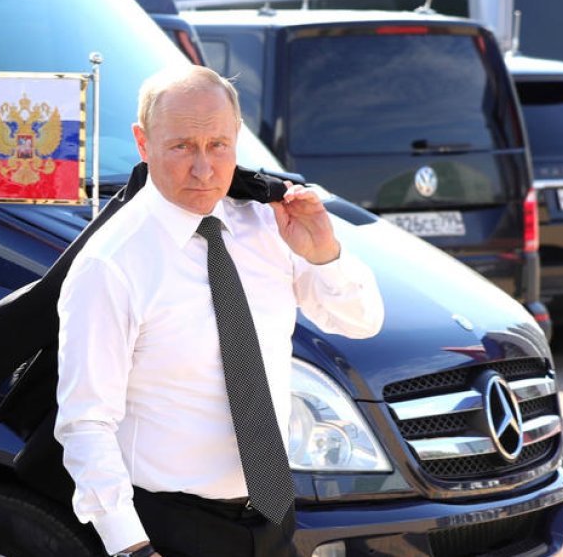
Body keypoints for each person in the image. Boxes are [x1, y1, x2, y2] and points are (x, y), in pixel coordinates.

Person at [54, 65, 385, 557]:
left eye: (218, 146)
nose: (204, 170)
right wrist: (131, 546)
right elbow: (86, 422)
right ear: (143, 144)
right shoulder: (111, 264)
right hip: (170, 525)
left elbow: (360, 323)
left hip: (272, 512)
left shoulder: (267, 225)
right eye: (182, 146)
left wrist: (324, 253)